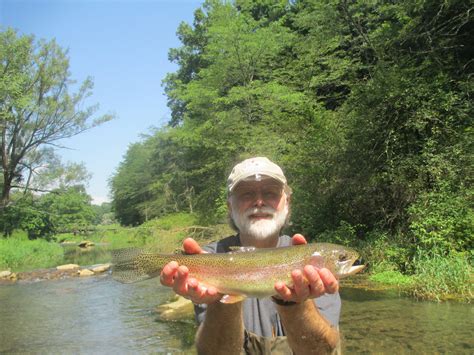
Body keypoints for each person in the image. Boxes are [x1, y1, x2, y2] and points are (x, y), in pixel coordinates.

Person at [160, 157, 341, 354]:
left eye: (270, 193)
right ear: (230, 206)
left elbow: (322, 351)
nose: (259, 202)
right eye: (246, 194)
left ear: (287, 202)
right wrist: (219, 298)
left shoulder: (309, 258)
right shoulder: (210, 257)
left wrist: (295, 302)